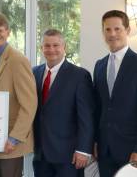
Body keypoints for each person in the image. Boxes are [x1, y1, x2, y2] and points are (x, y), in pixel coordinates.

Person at [93, 10, 137, 177]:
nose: (112, 34)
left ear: (127, 30)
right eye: (107, 29)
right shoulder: (99, 66)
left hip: (133, 151)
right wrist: (95, 141)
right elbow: (98, 108)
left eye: (117, 29)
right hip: (105, 151)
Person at [32, 29, 95, 177]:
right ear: (41, 49)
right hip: (40, 154)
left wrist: (83, 149)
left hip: (69, 155)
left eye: (56, 45)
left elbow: (86, 116)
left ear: (64, 47)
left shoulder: (80, 76)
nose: (51, 49)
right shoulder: (34, 73)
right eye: (47, 46)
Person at [0, 11, 37, 177]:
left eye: (1, 30)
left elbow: (29, 103)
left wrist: (14, 138)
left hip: (10, 144)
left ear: (8, 32)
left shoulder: (17, 60)